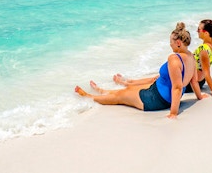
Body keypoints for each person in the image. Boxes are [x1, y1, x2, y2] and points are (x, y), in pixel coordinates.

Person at [74, 22, 204, 119]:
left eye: (171, 41)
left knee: (121, 96)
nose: (169, 44)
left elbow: (177, 87)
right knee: (129, 89)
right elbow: (194, 82)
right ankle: (102, 91)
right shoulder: (191, 57)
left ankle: (89, 97)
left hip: (156, 99)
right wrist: (200, 97)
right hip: (159, 92)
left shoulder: (174, 59)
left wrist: (173, 113)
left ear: (179, 43)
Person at [113, 19, 212, 98]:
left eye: (199, 29)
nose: (197, 31)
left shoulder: (204, 50)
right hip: (196, 81)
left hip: (192, 82)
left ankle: (126, 83)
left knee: (156, 81)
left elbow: (207, 73)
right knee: (156, 78)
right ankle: (128, 82)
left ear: (206, 33)